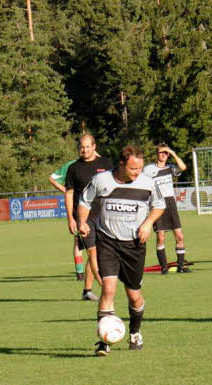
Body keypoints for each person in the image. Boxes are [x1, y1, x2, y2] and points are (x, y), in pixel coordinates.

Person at [77, 146, 165, 356]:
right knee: (108, 289)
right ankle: (103, 340)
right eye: (134, 169)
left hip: (134, 245)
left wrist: (148, 223)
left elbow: (159, 205)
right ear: (122, 164)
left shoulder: (147, 183)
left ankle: (135, 333)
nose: (137, 173)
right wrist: (82, 221)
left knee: (134, 296)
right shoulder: (102, 181)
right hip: (107, 241)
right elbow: (84, 201)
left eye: (140, 168)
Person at [65, 134, 115, 301]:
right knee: (93, 253)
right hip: (84, 218)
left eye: (87, 147)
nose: (84, 150)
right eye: (82, 147)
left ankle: (87, 291)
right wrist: (71, 219)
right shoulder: (73, 168)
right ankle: (106, 290)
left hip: (105, 215)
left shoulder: (106, 164)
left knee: (101, 251)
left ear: (94, 147)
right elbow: (69, 193)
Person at [143, 144, 190, 274]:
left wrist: (173, 153)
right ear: (156, 154)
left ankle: (181, 266)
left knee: (179, 236)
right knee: (161, 237)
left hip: (170, 203)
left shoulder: (171, 167)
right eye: (161, 152)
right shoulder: (148, 169)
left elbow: (183, 167)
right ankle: (164, 267)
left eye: (166, 153)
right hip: (157, 204)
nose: (163, 155)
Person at [49, 156, 85, 281]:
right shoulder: (71, 165)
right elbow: (52, 178)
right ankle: (80, 273)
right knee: (78, 240)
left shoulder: (98, 163)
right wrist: (65, 189)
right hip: (77, 206)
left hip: (95, 207)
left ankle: (96, 270)